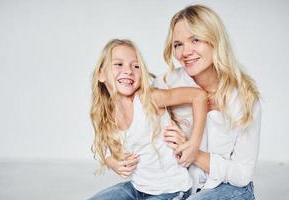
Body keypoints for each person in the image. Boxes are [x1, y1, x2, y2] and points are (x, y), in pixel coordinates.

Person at [154, 4, 261, 200]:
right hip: (178, 187)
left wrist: (193, 151)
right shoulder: (165, 84)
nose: (185, 52)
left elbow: (241, 174)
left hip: (229, 189)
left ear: (214, 40)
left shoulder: (245, 98)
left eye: (195, 39)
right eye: (178, 44)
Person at [88, 39, 208, 200]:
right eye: (118, 64)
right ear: (101, 74)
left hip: (171, 190)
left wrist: (193, 143)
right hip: (137, 188)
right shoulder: (106, 115)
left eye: (136, 66)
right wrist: (112, 162)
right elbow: (109, 150)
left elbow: (198, 95)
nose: (129, 71)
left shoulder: (148, 99)